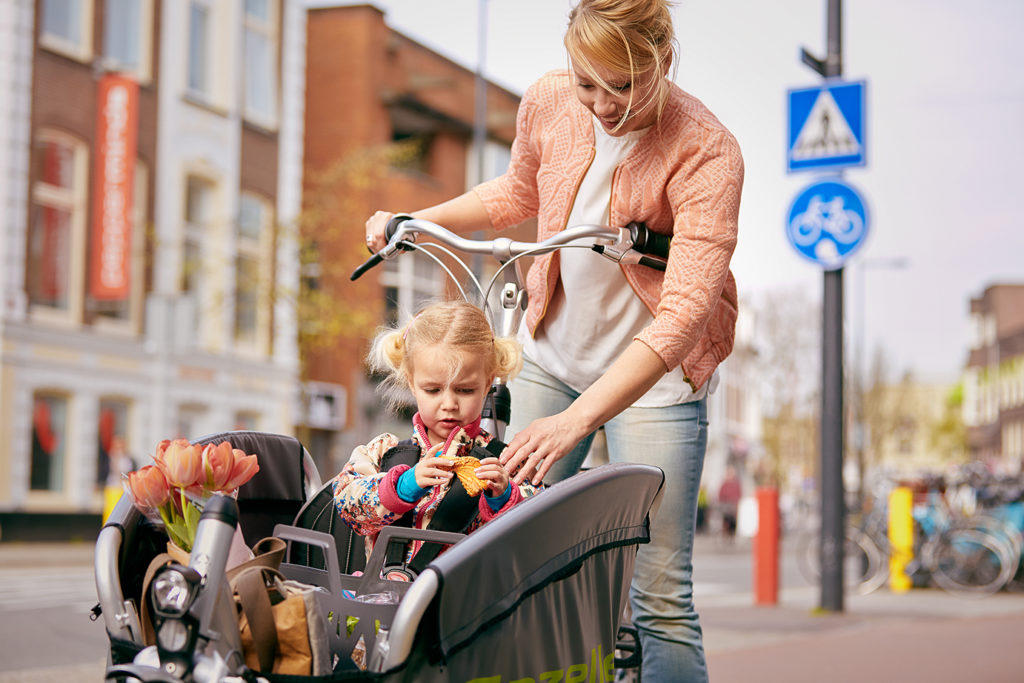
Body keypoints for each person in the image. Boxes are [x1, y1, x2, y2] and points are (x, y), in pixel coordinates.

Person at [364, 1, 742, 679]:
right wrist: (415, 218)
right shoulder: (549, 99)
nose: (599, 103)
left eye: (620, 85)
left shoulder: (707, 150)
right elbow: (515, 191)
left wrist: (581, 418)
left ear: (660, 59)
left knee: (659, 597)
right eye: (585, 81)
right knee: (504, 553)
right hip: (554, 357)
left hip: (656, 384)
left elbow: (683, 312)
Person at [332, 300, 539, 569]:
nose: (449, 404)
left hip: (470, 602)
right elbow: (348, 508)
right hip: (385, 596)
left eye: (465, 390)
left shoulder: (509, 462)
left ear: (488, 383)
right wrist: (403, 485)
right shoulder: (383, 452)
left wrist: (504, 498)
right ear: (411, 382)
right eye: (433, 390)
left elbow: (536, 539)